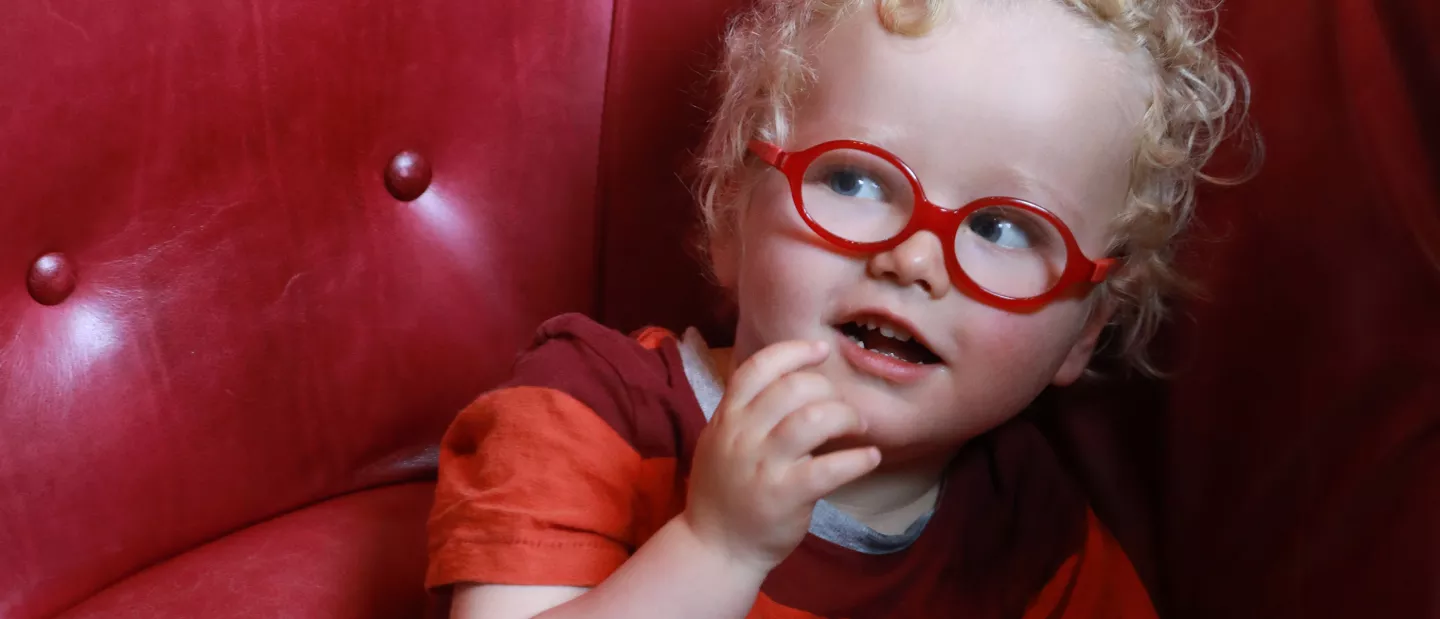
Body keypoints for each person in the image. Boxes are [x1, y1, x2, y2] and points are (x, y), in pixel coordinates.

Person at [427, 0, 1252, 617]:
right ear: (729, 217)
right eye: (855, 179)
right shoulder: (586, 411)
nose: (914, 258)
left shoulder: (1034, 534)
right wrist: (719, 548)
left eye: (1004, 227)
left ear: (1084, 334)